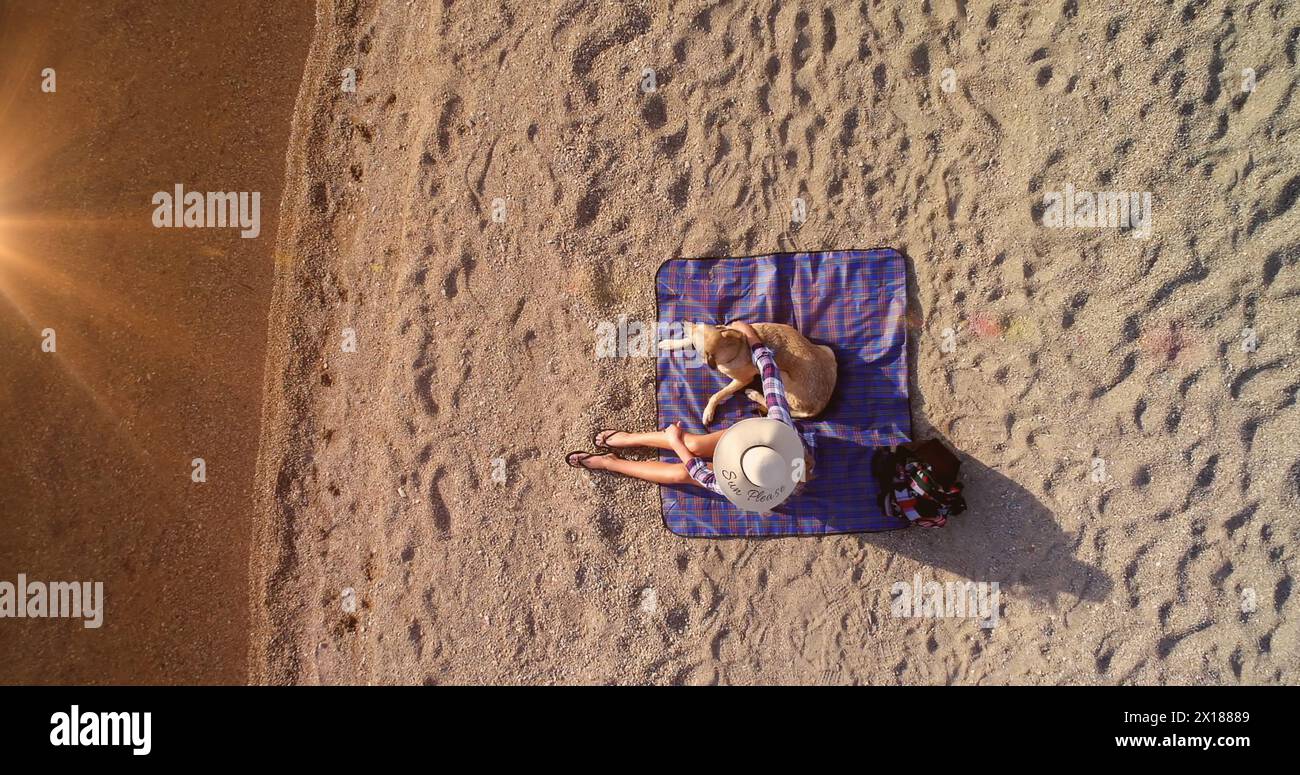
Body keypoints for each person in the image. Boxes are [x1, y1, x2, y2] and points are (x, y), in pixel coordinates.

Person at [566, 322, 809, 513]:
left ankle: (612, 462)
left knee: (679, 473)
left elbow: (697, 471)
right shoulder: (779, 423)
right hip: (771, 457)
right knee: (694, 444)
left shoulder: (740, 487)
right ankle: (629, 438)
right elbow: (769, 370)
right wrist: (753, 339)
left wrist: (675, 442)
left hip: (752, 477)